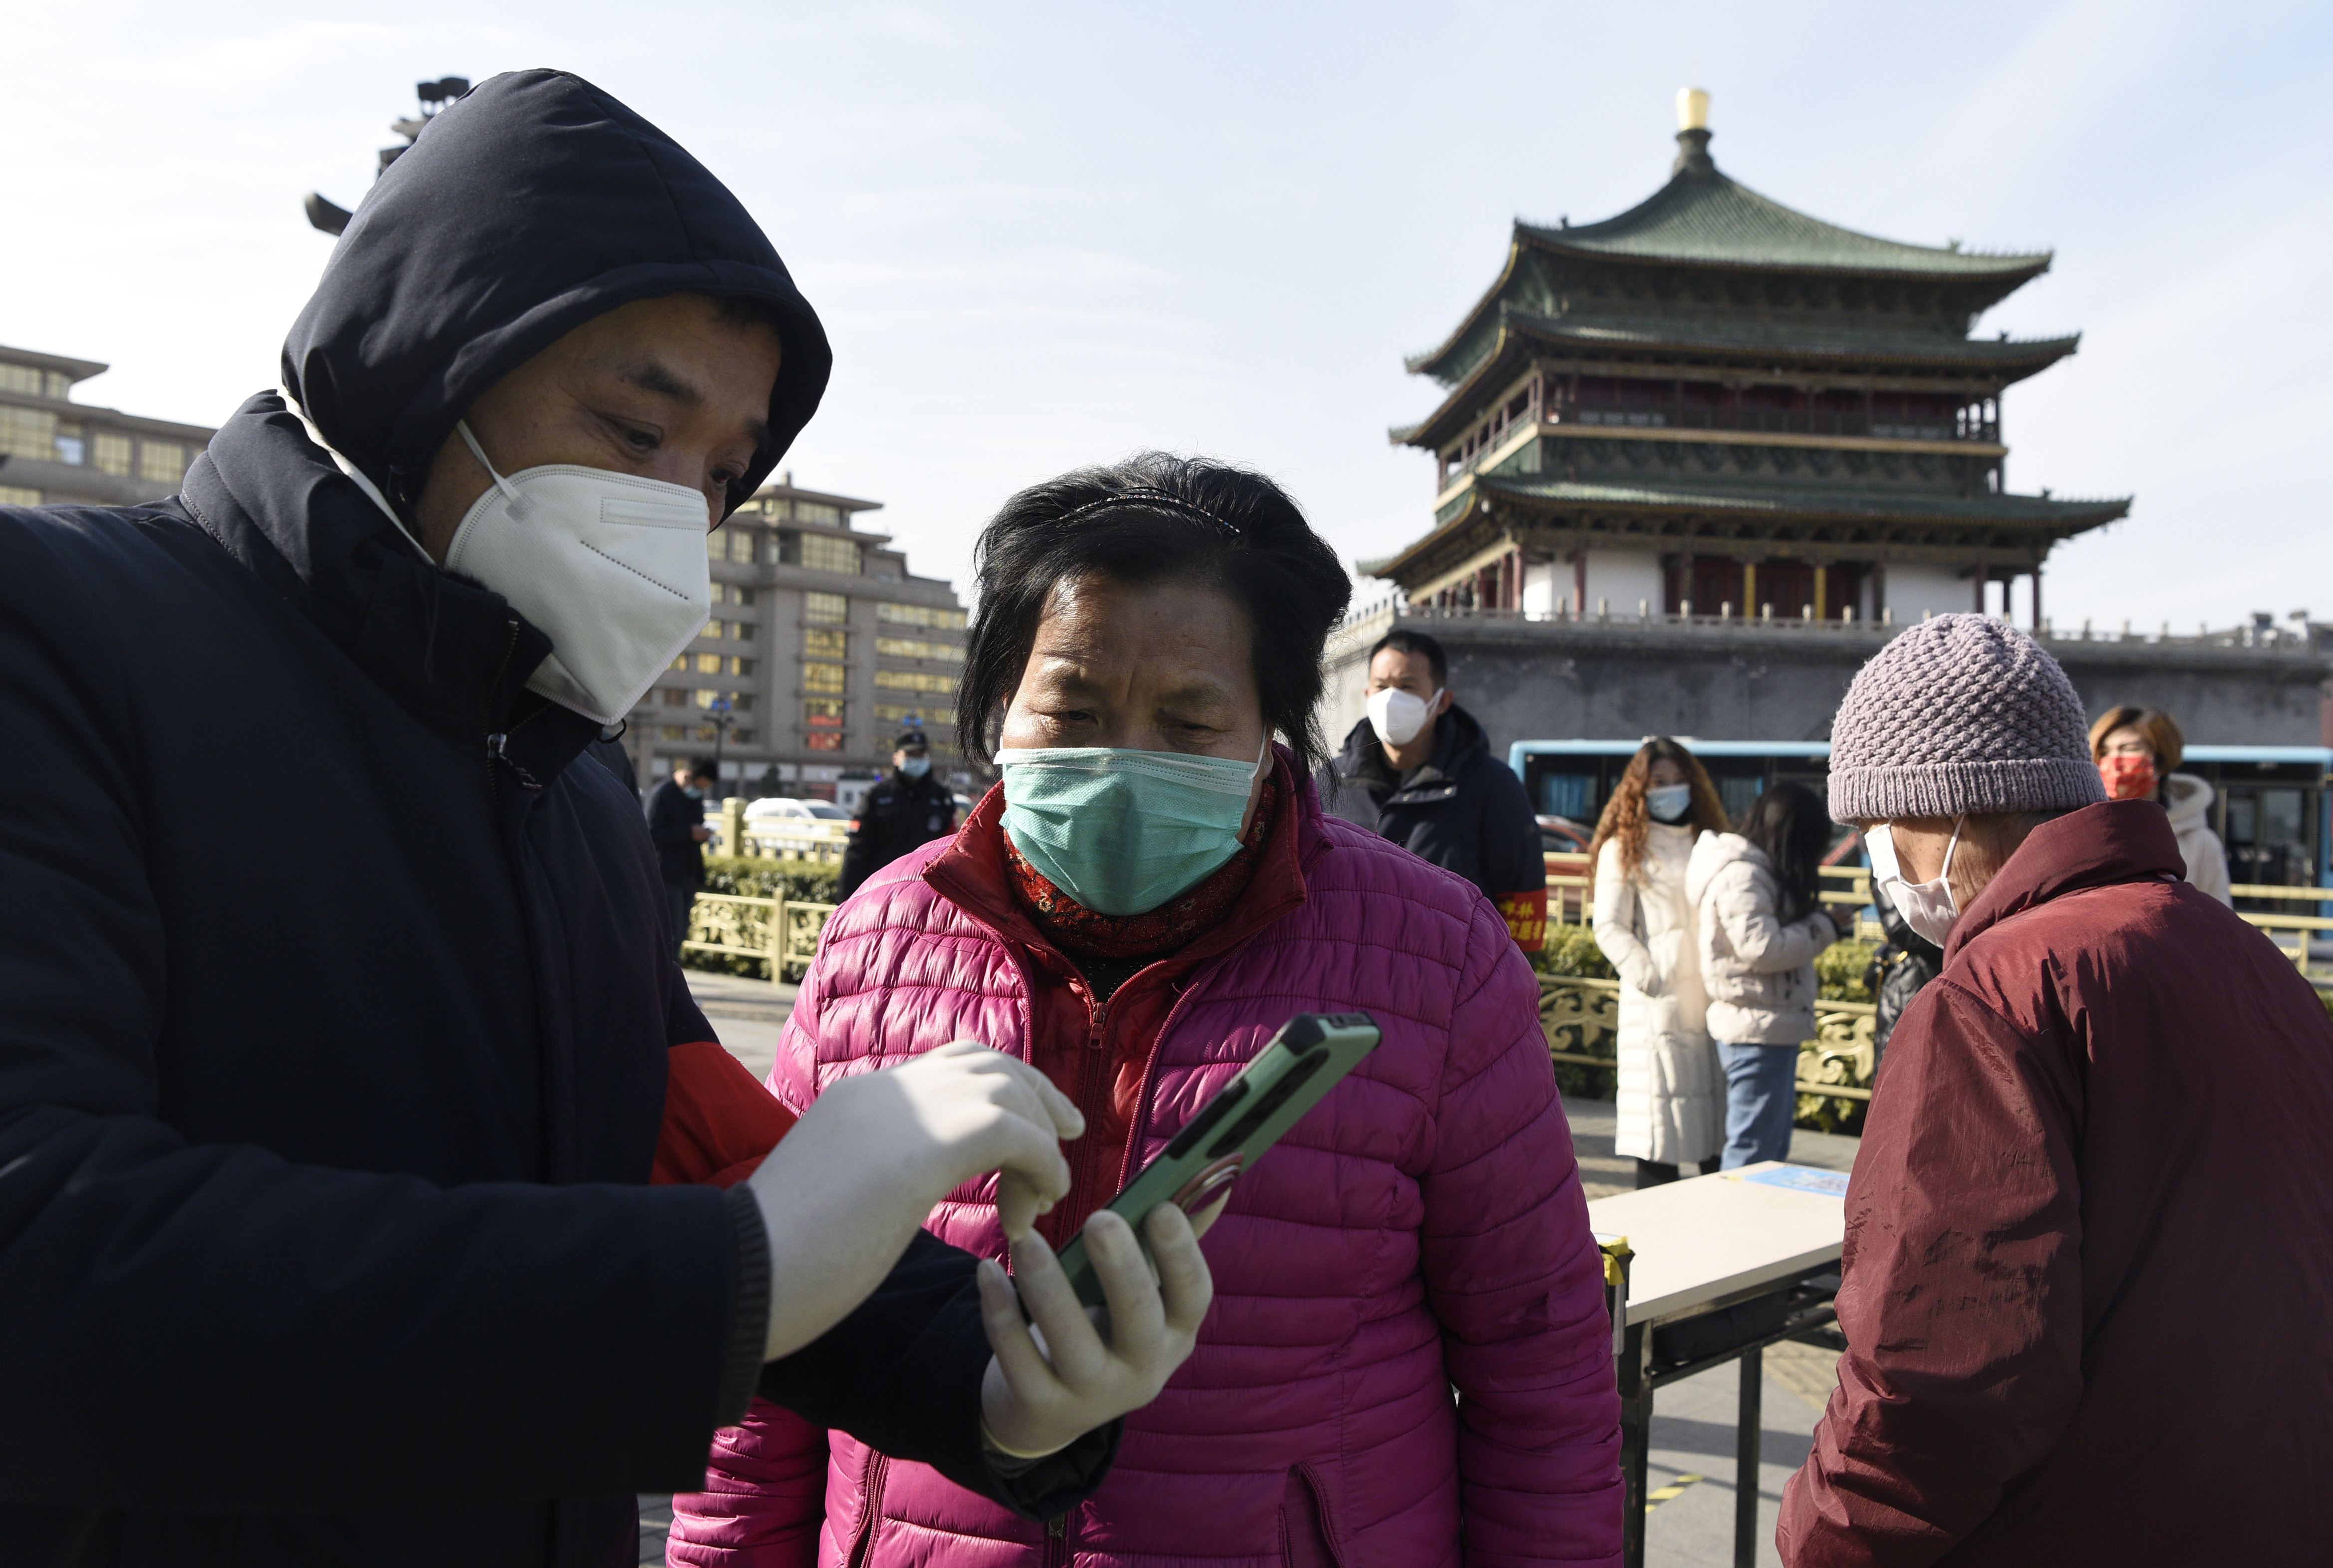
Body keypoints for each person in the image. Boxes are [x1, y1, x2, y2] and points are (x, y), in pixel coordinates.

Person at [0, 71, 1210, 1565]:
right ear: (423, 365)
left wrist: (993, 1374)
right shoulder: (55, 634)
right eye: (637, 433)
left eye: (722, 472)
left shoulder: (568, 783)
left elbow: (687, 1161)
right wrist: (735, 1270)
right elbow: (42, 1245)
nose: (683, 515)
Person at [673, 455, 1624, 1567]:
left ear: (1273, 724)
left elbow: (1540, 1369)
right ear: (1000, 707)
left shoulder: (1440, 954)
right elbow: (766, 1337)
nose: (1122, 761)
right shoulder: (875, 934)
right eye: (1071, 707)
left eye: (1188, 720)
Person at [1779, 615, 2333, 1566]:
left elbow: (1941, 1381)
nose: (1879, 859)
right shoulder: (2241, 952)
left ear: (1941, 808)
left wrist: (1818, 1537)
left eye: (1877, 826)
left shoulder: (1989, 998)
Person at [1323, 627, 1549, 951]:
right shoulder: (1329, 781)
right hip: (1344, 983)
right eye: (1382, 686)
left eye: (1407, 687)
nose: (1391, 699)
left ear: (1441, 701)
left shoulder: (1491, 785)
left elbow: (1521, 895)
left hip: (1447, 988)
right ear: (1368, 695)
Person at [1587, 737, 1731, 1186]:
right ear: (1639, 789)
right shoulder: (1624, 847)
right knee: (1659, 1141)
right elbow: (1609, 926)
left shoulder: (1711, 842)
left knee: (1717, 1143)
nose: (1670, 789)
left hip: (1713, 1002)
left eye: (1677, 780)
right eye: (1658, 782)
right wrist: (1652, 978)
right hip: (1658, 1011)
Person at [1685, 783, 1849, 1169]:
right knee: (1752, 1150)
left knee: (1765, 1147)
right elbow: (1761, 948)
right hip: (1755, 1026)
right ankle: (1735, 1225)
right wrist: (1823, 924)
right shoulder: (1743, 875)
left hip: (1764, 1021)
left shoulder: (1749, 870)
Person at [2089, 703, 2233, 904]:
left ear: (2161, 760)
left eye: (2129, 749)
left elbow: (2219, 920)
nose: (2114, 762)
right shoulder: (2083, 833)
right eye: (2104, 752)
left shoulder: (2200, 844)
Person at [837, 730, 960, 898]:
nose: (916, 760)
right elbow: (858, 851)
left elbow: (952, 849)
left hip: (926, 894)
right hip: (882, 892)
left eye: (921, 755)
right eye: (910, 755)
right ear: (896, 758)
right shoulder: (877, 796)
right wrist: (846, 897)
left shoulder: (941, 797)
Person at [1860, 888, 1941, 1070]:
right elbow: (1900, 929)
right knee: (1900, 1072)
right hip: (1909, 982)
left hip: (1929, 977)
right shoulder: (1889, 864)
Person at [650, 757, 719, 957]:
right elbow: (651, 833)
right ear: (689, 777)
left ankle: (672, 976)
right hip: (667, 873)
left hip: (689, 873)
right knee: (671, 932)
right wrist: (688, 833)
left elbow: (696, 825)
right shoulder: (662, 794)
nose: (700, 791)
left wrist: (701, 834)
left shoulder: (695, 798)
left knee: (681, 931)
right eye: (700, 786)